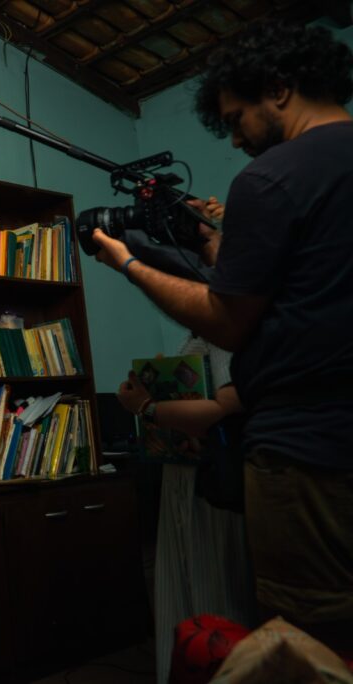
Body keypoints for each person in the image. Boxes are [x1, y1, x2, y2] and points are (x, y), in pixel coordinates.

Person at [92, 20, 353, 654]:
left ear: (280, 88)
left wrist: (127, 263)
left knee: (313, 644)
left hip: (306, 453)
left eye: (237, 120)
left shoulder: (272, 178)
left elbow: (226, 319)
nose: (236, 141)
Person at [117, 333, 255, 684]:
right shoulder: (197, 334)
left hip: (208, 480)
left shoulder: (222, 334)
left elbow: (226, 409)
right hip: (182, 474)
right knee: (183, 583)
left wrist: (147, 407)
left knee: (212, 587)